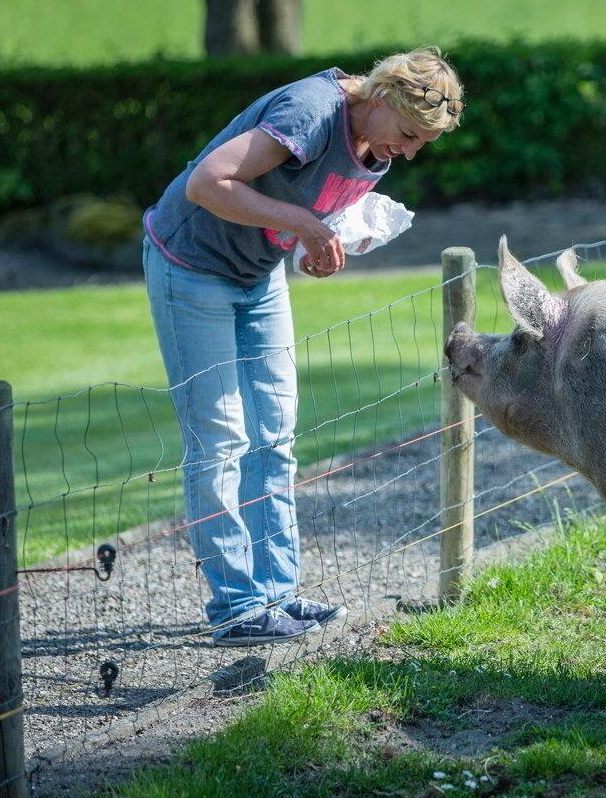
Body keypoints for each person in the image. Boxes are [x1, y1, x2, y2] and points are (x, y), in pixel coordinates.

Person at [143, 48, 464, 646]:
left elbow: (303, 207)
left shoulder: (374, 141)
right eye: (409, 135)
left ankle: (278, 595)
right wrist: (303, 224)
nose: (410, 152)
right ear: (382, 97)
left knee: (275, 433)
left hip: (257, 274)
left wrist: (312, 244)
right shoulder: (311, 112)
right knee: (220, 440)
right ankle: (237, 609)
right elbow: (207, 184)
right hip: (192, 267)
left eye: (423, 143)